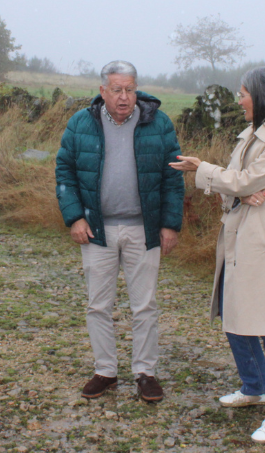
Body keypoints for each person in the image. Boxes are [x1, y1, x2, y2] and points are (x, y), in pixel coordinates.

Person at [169, 66, 265, 444]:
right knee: (233, 314)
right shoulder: (248, 135)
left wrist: (210, 172)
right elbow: (236, 185)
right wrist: (240, 191)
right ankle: (255, 386)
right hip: (237, 237)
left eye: (243, 93)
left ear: (262, 95)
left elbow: (245, 180)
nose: (239, 100)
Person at [55, 60, 185, 402]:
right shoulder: (81, 124)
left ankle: (146, 373)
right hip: (97, 230)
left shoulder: (158, 123)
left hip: (144, 230)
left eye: (129, 89)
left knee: (144, 306)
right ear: (103, 91)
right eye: (117, 90)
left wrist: (170, 224)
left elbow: (174, 177)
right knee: (98, 305)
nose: (124, 97)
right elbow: (65, 172)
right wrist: (75, 218)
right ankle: (105, 371)